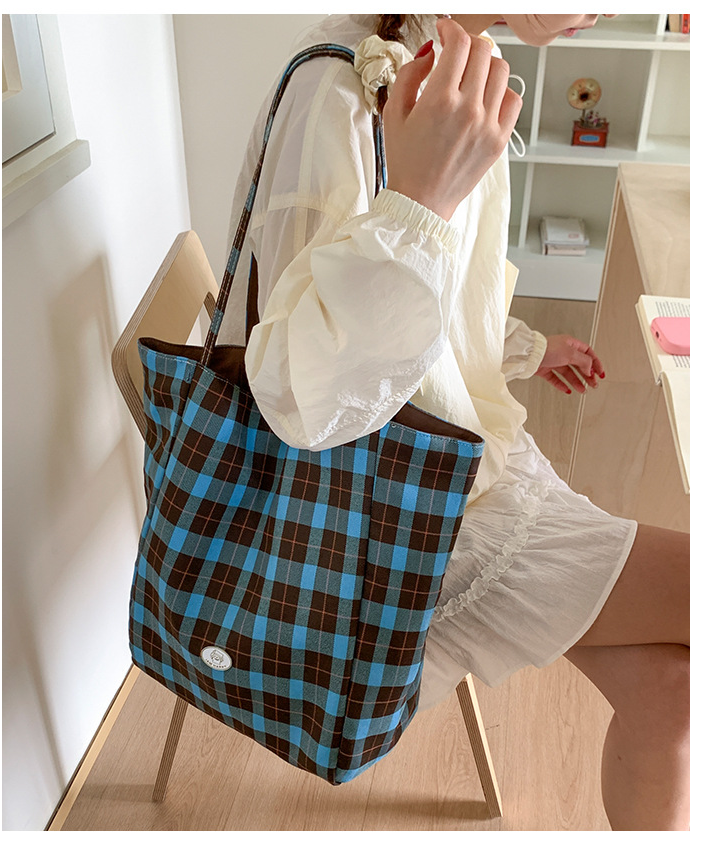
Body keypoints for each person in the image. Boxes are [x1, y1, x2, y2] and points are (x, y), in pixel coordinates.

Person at [220, 14, 689, 830]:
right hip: (397, 519)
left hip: (453, 459)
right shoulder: (339, 93)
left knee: (675, 698)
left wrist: (523, 346)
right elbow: (297, 395)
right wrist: (420, 199)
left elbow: (443, 297)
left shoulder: (462, 68)